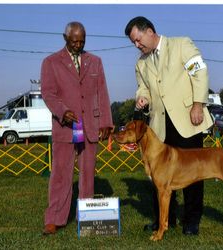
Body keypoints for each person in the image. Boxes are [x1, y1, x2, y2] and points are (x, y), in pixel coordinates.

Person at [124, 16, 213, 236]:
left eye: (138, 39)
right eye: (133, 42)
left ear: (150, 31)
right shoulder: (140, 63)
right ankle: (164, 221)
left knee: (194, 174)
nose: (137, 45)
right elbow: (142, 88)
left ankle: (192, 221)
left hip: (188, 119)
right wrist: (142, 98)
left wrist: (198, 105)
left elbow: (199, 72)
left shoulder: (181, 44)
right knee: (159, 178)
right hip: (159, 127)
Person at [40, 22, 113, 235]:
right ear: (65, 38)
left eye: (82, 41)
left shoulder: (96, 62)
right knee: (61, 174)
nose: (78, 45)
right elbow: (48, 93)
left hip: (90, 126)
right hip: (65, 127)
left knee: (88, 174)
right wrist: (63, 112)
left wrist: (106, 122)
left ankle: (88, 218)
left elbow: (102, 92)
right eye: (74, 41)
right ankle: (54, 219)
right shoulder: (50, 62)